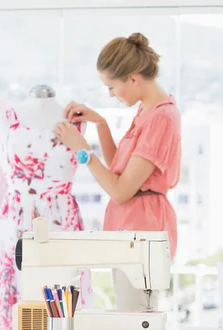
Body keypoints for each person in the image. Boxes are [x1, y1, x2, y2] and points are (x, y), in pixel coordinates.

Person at [54, 32, 181, 311]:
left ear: (133, 78)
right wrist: (100, 123)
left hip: (142, 229)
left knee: (135, 319)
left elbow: (121, 191)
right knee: (129, 314)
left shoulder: (160, 118)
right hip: (130, 228)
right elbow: (119, 170)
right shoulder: (147, 111)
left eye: (112, 87)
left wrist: (82, 150)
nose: (111, 94)